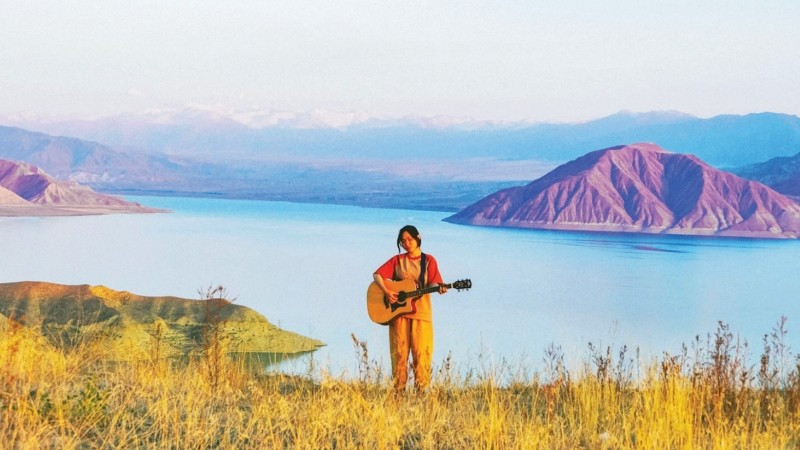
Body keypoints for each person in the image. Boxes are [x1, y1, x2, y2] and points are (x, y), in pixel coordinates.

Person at [373, 225, 447, 393]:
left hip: (422, 315)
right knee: (399, 355)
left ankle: (421, 394)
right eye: (403, 241)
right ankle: (398, 394)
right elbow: (377, 275)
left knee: (422, 356)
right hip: (399, 315)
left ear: (418, 237)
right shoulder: (397, 260)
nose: (406, 243)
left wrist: (440, 287)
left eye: (409, 239)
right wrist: (388, 292)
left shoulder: (428, 260)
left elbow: (434, 282)